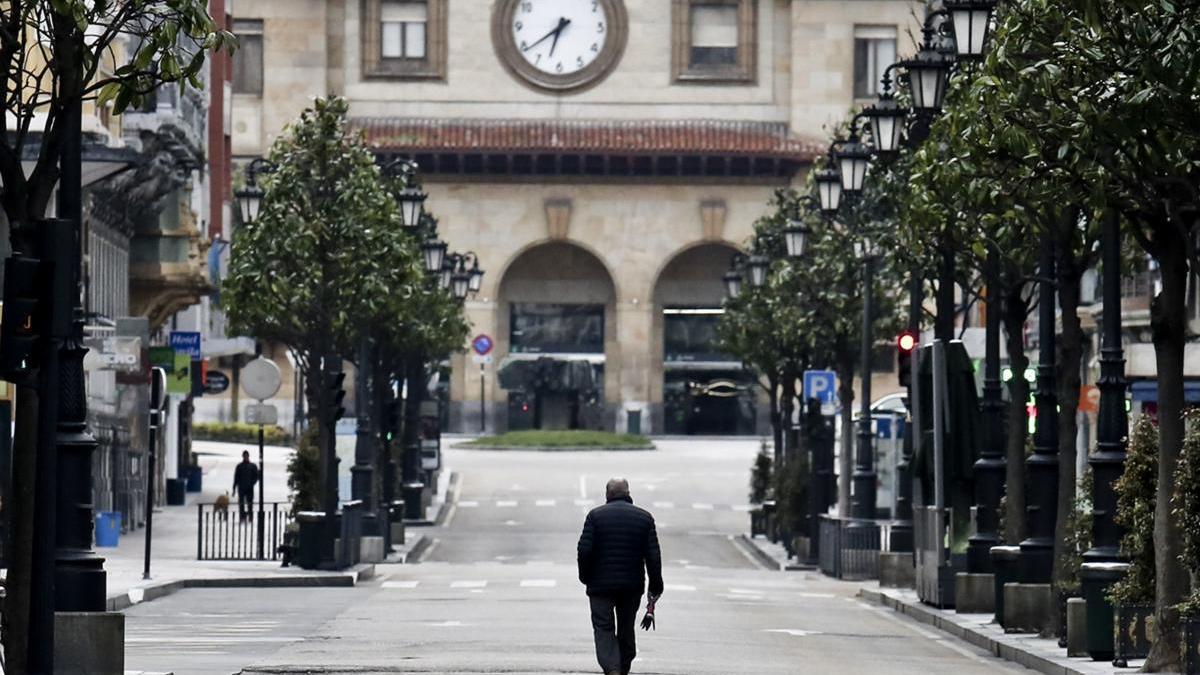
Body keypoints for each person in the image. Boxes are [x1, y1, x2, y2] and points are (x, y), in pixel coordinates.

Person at [577, 478, 663, 675]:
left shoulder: (595, 517)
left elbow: (584, 550)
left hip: (600, 586)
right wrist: (656, 586)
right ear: (628, 492)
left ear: (607, 494)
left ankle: (612, 668)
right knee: (626, 627)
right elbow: (653, 556)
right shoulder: (644, 518)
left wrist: (585, 577)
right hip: (631, 586)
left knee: (603, 628)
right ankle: (623, 666)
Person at [232, 450, 260, 523]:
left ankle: (250, 516)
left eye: (246, 456)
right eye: (244, 456)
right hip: (241, 487)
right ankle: (242, 517)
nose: (245, 457)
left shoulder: (253, 466)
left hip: (249, 488)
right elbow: (236, 477)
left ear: (248, 456)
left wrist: (252, 483)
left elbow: (256, 476)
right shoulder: (239, 466)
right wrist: (234, 488)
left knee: (250, 503)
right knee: (241, 504)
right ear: (243, 456)